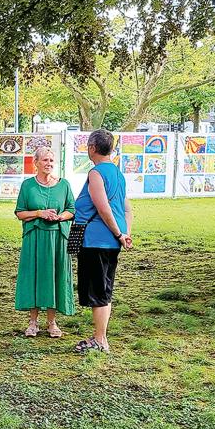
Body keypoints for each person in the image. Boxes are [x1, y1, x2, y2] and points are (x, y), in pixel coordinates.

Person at [73, 129, 133, 354]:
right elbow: (127, 208)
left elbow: (103, 208)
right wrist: (124, 233)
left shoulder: (96, 174)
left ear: (92, 148)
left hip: (96, 240)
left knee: (99, 291)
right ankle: (100, 336)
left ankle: (100, 339)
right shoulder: (118, 174)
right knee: (104, 289)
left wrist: (118, 234)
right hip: (111, 241)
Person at [14, 146, 75, 338]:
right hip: (34, 237)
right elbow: (20, 213)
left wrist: (59, 217)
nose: (49, 164)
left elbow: (71, 209)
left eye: (51, 160)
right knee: (33, 276)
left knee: (54, 276)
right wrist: (39, 213)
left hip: (57, 238)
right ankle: (33, 322)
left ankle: (52, 322)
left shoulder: (64, 185)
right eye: (45, 160)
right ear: (36, 163)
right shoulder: (27, 185)